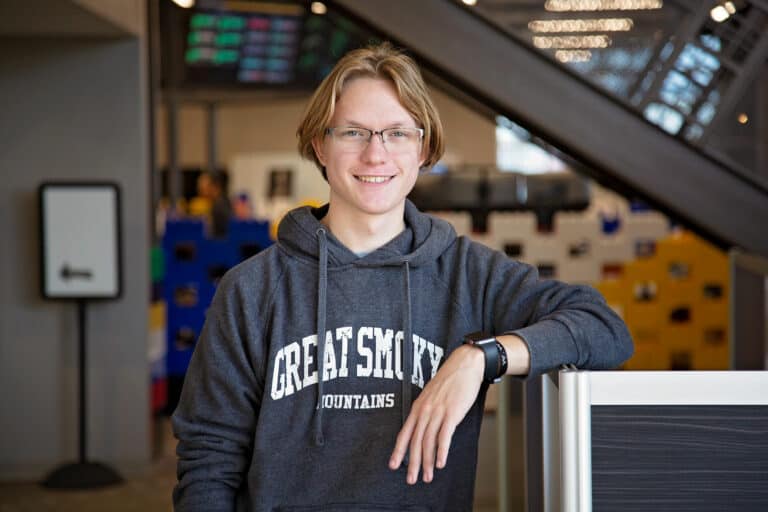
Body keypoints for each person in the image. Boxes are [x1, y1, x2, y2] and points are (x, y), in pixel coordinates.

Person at [172, 42, 633, 511]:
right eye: (353, 132)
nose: (376, 154)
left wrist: (481, 359)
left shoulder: (467, 274)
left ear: (424, 148)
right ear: (320, 146)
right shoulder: (252, 289)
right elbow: (208, 460)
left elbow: (604, 329)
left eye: (397, 133)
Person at [197, 170, 232, 238]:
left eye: (205, 188)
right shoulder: (216, 204)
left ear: (215, 187)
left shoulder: (220, 206)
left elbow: (218, 234)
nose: (201, 192)